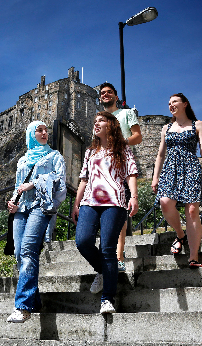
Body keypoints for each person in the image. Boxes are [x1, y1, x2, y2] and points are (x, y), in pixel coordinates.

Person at [71, 111, 138, 314]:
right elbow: (84, 179)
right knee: (82, 241)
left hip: (114, 202)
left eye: (100, 120)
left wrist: (133, 197)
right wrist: (76, 203)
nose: (96, 123)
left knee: (108, 248)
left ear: (111, 124)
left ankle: (107, 299)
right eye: (94, 121)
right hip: (89, 202)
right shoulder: (90, 151)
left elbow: (131, 173)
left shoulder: (122, 148)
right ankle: (102, 270)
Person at [6, 121, 66, 323]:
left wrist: (34, 183)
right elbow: (17, 186)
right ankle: (35, 301)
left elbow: (60, 181)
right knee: (18, 252)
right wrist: (13, 202)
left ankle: (22, 306)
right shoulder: (23, 160)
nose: (44, 133)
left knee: (29, 249)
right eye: (39, 130)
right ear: (31, 134)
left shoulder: (54, 156)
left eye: (45, 130)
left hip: (40, 206)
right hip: (21, 208)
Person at [151, 93, 202, 268]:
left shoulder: (197, 124)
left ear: (185, 104)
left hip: (191, 168)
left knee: (192, 211)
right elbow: (160, 154)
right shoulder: (166, 128)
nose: (170, 105)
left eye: (174, 101)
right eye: (169, 103)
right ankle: (181, 234)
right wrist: (155, 176)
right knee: (165, 203)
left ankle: (193, 257)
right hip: (170, 170)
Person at [99, 82, 142, 271]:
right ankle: (107, 254)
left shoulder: (126, 113)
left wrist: (121, 142)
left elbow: (138, 136)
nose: (105, 95)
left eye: (109, 92)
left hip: (121, 163)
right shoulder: (99, 118)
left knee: (119, 212)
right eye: (102, 93)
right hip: (102, 167)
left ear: (116, 96)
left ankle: (119, 255)